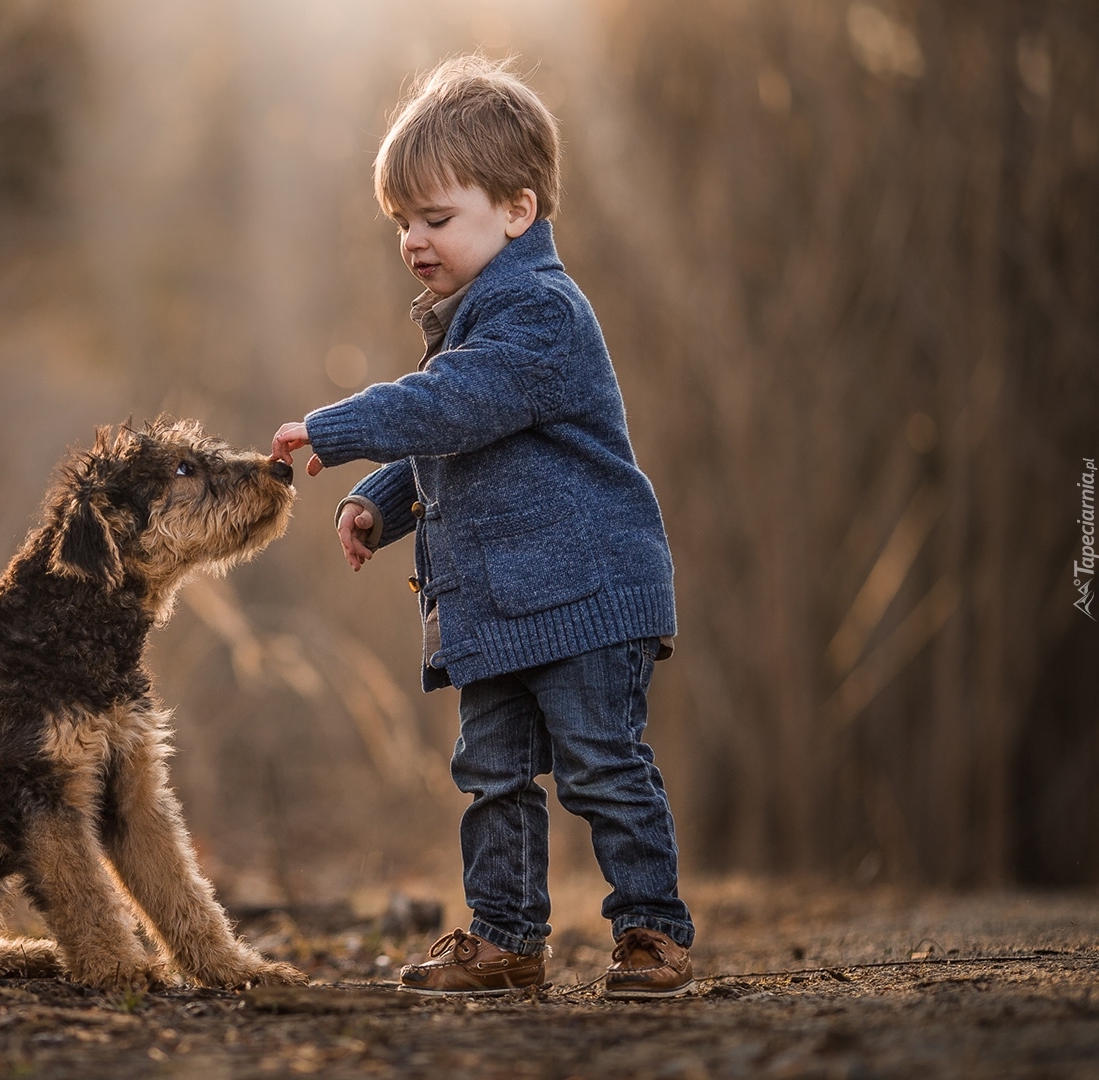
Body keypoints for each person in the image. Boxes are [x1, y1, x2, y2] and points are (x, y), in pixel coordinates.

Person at [269, 54, 694, 998]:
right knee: (490, 776)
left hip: (586, 596)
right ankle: (506, 938)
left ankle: (651, 932)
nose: (414, 241)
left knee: (600, 766)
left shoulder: (540, 312)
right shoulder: (474, 318)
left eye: (436, 217)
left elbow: (456, 405)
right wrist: (382, 499)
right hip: (501, 609)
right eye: (401, 223)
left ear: (517, 209)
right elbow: (463, 438)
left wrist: (335, 431)